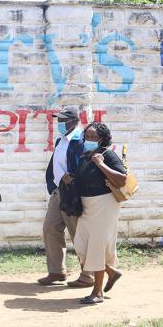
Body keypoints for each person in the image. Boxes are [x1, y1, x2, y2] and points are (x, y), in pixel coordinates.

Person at [38, 106, 94, 287]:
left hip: (72, 193)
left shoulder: (81, 140)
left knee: (78, 233)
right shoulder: (60, 140)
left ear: (74, 121)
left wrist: (75, 181)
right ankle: (56, 271)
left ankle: (88, 274)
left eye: (63, 120)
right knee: (50, 228)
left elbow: (87, 165)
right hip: (57, 191)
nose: (59, 123)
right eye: (58, 120)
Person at [73, 122, 127, 304]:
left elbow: (122, 179)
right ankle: (110, 271)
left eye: (94, 137)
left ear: (103, 139)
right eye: (87, 137)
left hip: (104, 205)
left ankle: (97, 293)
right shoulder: (86, 155)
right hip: (87, 207)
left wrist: (101, 164)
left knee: (96, 248)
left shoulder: (107, 155)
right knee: (81, 245)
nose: (89, 140)